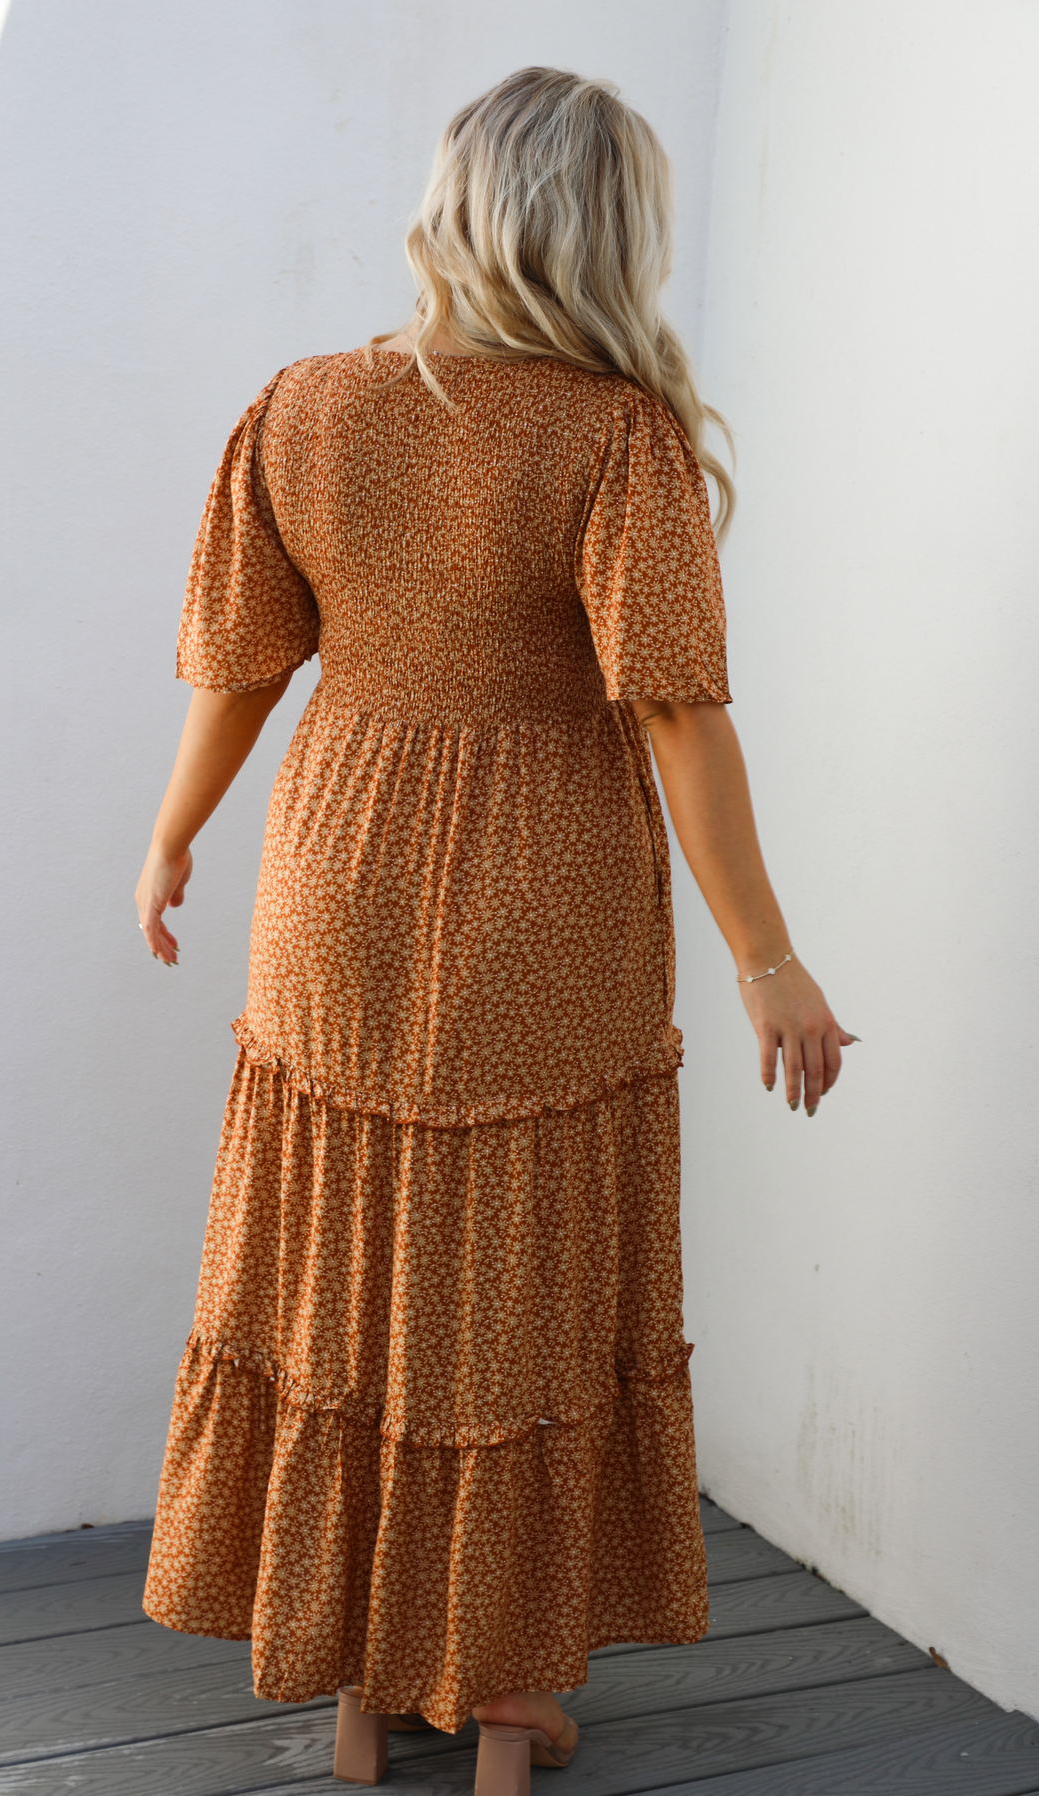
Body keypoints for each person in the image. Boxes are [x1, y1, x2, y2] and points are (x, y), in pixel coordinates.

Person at [135, 65, 854, 1793]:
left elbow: (241, 664)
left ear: (458, 207)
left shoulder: (300, 406)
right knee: (512, 1276)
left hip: (336, 867)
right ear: (609, 230)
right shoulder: (615, 436)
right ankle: (507, 1699)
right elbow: (679, 715)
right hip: (544, 880)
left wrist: (169, 839)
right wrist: (770, 954)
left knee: (351, 1262)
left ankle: (367, 1684)